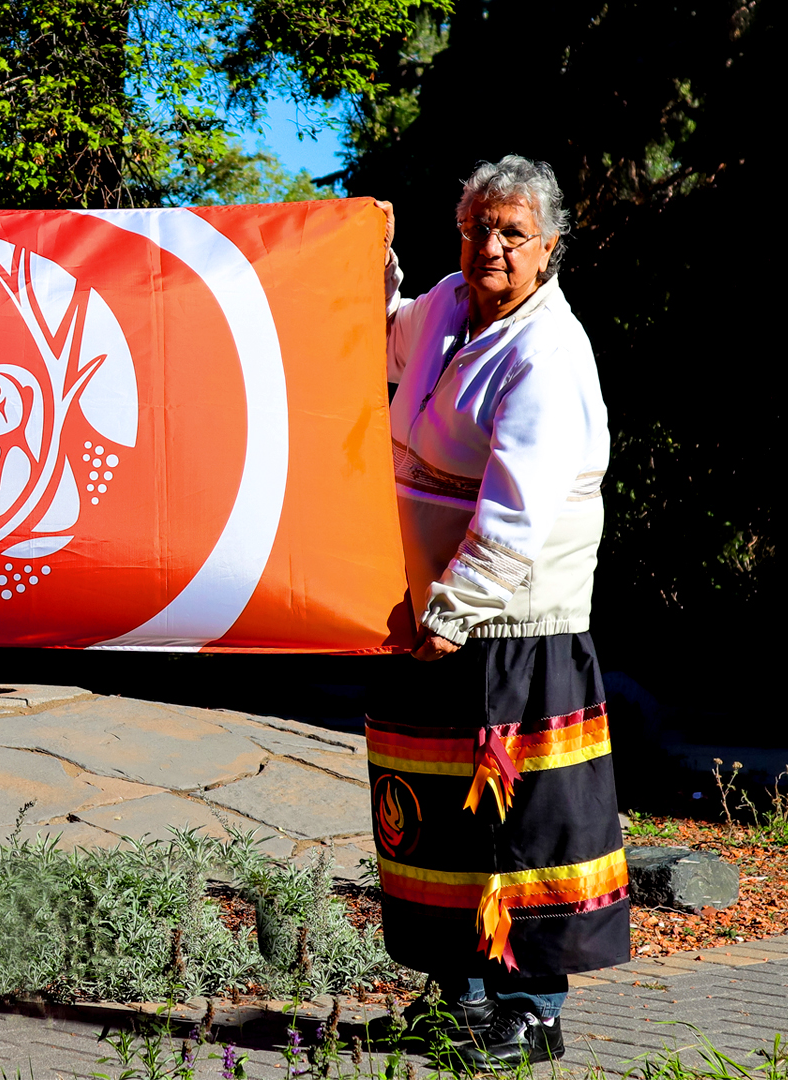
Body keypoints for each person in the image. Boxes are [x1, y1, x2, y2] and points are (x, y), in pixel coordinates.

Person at [367, 156, 626, 1068]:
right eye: (478, 226)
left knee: (515, 824)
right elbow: (383, 337)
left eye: (512, 233)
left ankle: (528, 1010)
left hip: (510, 625)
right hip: (418, 612)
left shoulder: (548, 355)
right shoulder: (444, 305)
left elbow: (516, 512)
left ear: (548, 247)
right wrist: (363, 267)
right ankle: (460, 1000)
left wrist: (457, 607)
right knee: (441, 819)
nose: (491, 247)